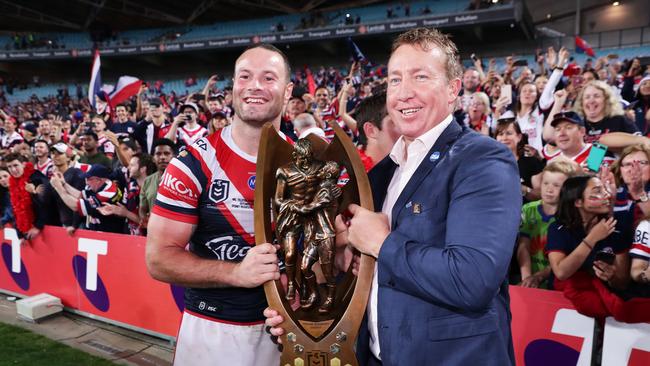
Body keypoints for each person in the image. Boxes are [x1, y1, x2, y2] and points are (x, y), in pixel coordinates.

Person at [267, 27, 522, 366]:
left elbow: (472, 280)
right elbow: (368, 276)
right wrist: (335, 271)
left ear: (452, 90)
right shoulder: (381, 174)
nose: (404, 93)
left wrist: (380, 244)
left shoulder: (482, 160)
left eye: (421, 77)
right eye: (395, 79)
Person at [146, 44, 293, 365]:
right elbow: (158, 260)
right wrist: (237, 273)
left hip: (288, 329)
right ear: (234, 87)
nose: (255, 85)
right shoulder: (194, 162)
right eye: (245, 76)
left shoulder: (305, 162)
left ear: (288, 90)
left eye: (269, 78)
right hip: (215, 329)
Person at [546, 175, 631, 317]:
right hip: (559, 305)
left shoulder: (617, 229)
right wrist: (592, 238)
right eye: (598, 191)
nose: (607, 195)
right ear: (578, 202)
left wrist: (612, 277)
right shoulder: (558, 228)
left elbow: (622, 283)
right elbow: (561, 272)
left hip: (604, 306)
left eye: (605, 189)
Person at [517, 160, 577, 289]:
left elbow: (565, 259)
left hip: (555, 282)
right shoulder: (528, 209)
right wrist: (526, 278)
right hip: (527, 277)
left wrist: (539, 276)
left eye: (556, 185)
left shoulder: (572, 216)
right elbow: (523, 246)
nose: (549, 189)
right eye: (545, 183)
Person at [50, 164, 125, 234]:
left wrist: (58, 188)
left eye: (89, 179)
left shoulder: (107, 193)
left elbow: (76, 206)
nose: (87, 182)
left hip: (108, 235)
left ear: (99, 180)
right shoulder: (103, 185)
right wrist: (64, 184)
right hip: (96, 231)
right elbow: (80, 195)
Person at [5, 153, 47, 240]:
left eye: (16, 165)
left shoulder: (36, 177)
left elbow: (48, 203)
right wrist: (20, 234)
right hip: (29, 231)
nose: (13, 169)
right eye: (9, 167)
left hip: (46, 228)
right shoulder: (13, 182)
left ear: (24, 164)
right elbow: (16, 209)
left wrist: (38, 226)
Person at [139, 138, 175, 233]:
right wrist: (144, 219)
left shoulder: (184, 180)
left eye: (166, 153)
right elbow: (142, 209)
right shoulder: (148, 181)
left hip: (176, 234)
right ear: (153, 158)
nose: (162, 157)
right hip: (154, 233)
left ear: (174, 157)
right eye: (158, 154)